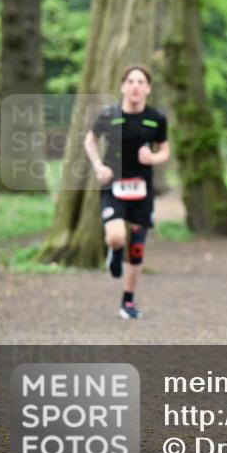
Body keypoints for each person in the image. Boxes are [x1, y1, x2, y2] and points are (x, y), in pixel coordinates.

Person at [84, 66, 170, 320]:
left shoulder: (157, 118)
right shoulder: (109, 114)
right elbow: (89, 140)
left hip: (142, 189)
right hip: (114, 183)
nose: (135, 86)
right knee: (115, 237)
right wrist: (99, 166)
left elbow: (165, 150)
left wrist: (153, 157)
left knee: (137, 249)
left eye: (140, 81)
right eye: (130, 81)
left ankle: (128, 301)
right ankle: (115, 251)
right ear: (122, 86)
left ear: (148, 88)